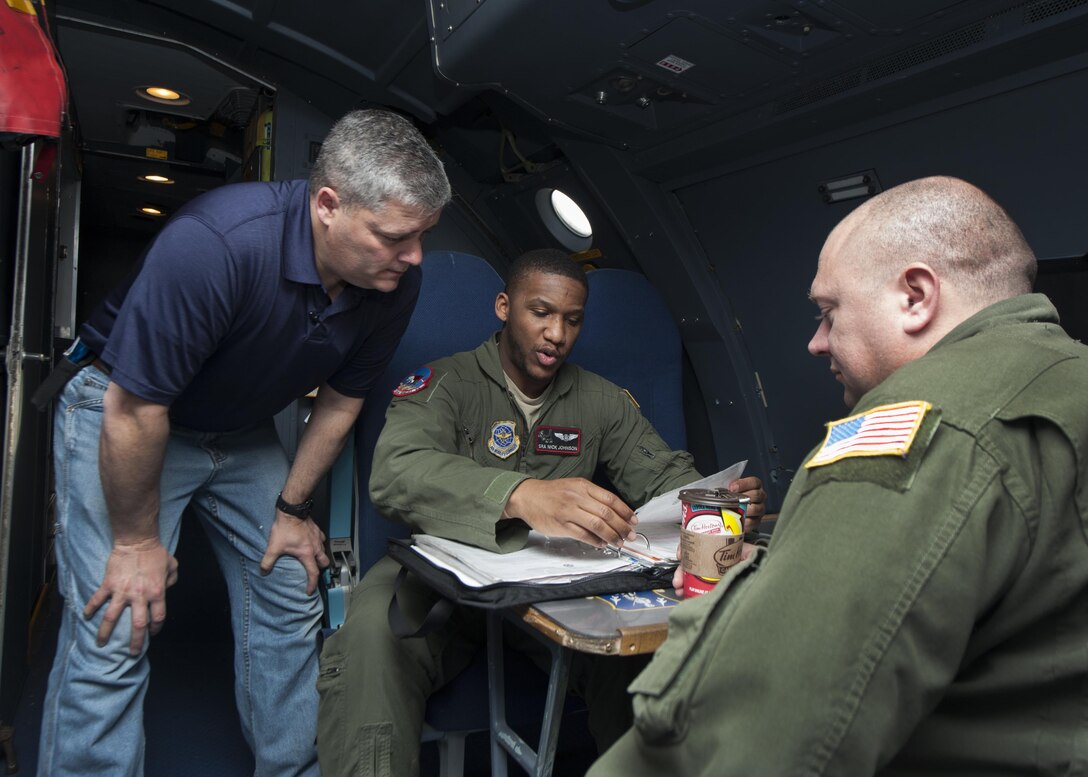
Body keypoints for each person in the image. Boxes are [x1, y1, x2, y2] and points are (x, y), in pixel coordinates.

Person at [588, 176, 1088, 776]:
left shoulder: (916, 431)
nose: (815, 342)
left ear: (916, 296)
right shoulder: (1067, 379)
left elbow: (763, 736)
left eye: (829, 313)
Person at [37, 108, 451, 777]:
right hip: (125, 412)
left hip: (236, 430)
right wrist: (136, 545)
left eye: (422, 236)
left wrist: (291, 509)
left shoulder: (394, 281)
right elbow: (137, 409)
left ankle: (293, 767)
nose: (415, 257)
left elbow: (341, 400)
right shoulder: (218, 243)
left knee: (291, 583)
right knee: (119, 618)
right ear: (327, 205)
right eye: (395, 237)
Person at [315, 248, 766, 777]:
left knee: (644, 661)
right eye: (541, 313)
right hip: (444, 577)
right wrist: (520, 495)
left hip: (561, 582)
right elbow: (396, 471)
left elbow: (663, 477)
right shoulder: (443, 384)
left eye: (572, 320)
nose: (557, 334)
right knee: (371, 641)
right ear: (505, 307)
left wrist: (716, 506)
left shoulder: (600, 400)